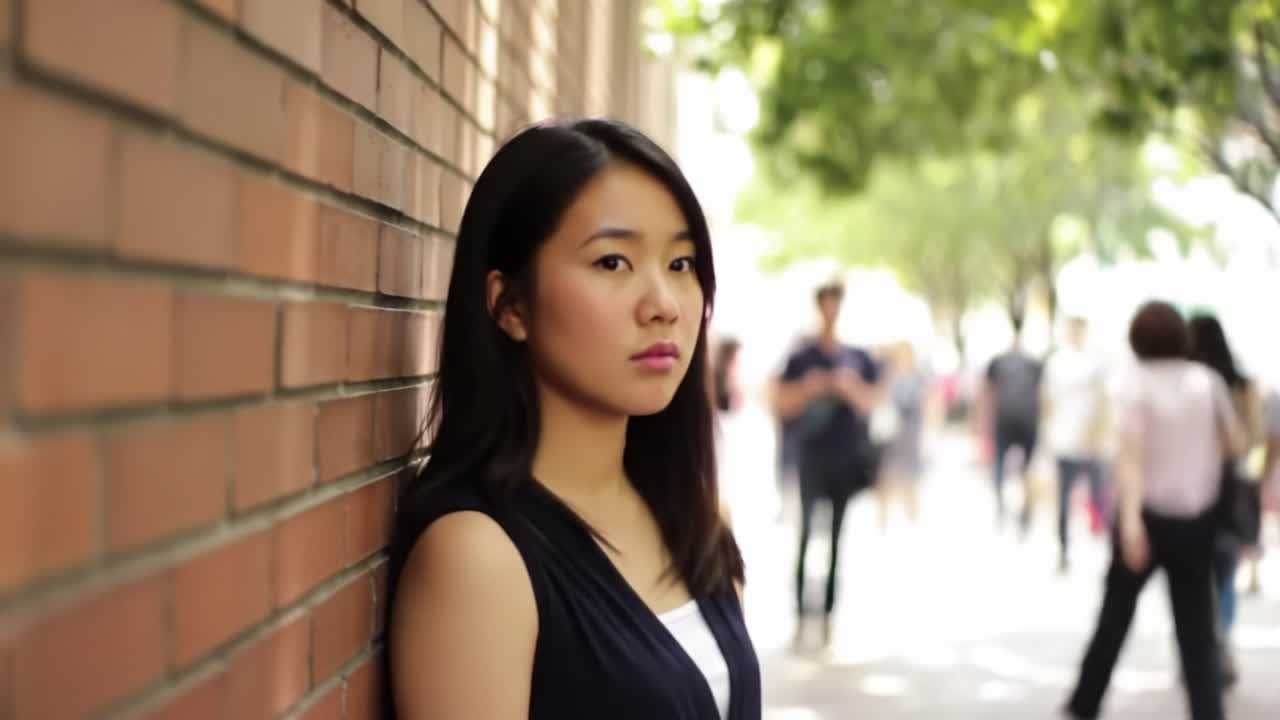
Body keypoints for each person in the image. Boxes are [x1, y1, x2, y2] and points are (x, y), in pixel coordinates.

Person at [382, 119, 761, 720]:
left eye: (681, 263)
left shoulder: (693, 518)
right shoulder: (478, 558)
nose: (663, 305)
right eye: (612, 262)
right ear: (511, 305)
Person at [1065, 301, 1245, 720]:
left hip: (1145, 517)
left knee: (1114, 618)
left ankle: (1085, 702)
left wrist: (1130, 523)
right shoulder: (1207, 381)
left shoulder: (1135, 383)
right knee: (1197, 630)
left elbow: (1130, 458)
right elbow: (1234, 442)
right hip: (1196, 520)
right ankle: (1207, 710)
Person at [771, 281, 883, 648]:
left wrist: (849, 388)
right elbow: (778, 401)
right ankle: (800, 615)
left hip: (846, 459)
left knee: (837, 538)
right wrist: (811, 387)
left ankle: (829, 616)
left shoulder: (857, 357)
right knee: (805, 536)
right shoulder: (802, 357)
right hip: (811, 458)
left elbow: (874, 401)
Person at [1188, 313, 1264, 685]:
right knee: (1225, 570)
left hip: (1192, 487)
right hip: (1231, 485)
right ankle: (1220, 641)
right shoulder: (1242, 385)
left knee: (1192, 573)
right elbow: (1252, 438)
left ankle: (1200, 646)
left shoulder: (1187, 384)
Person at [1043, 316, 1109, 572]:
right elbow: (1047, 401)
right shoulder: (1058, 362)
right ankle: (1064, 549)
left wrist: (1098, 434)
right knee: (1066, 498)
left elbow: (1102, 403)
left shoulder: (1093, 362)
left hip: (1087, 442)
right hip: (1066, 440)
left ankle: (1094, 541)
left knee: (1094, 495)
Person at [980, 315, 1045, 532]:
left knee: (1001, 465)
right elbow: (1041, 394)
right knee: (1025, 467)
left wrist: (984, 421)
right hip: (1026, 419)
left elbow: (988, 392)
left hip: (1007, 418)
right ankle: (1023, 511)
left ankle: (1006, 507)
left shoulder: (999, 361)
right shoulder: (1033, 362)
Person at [876, 341, 927, 529]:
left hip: (910, 434)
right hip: (891, 434)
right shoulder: (888, 376)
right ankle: (883, 518)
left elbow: (926, 402)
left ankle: (911, 516)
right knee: (887, 473)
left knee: (910, 476)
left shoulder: (917, 377)